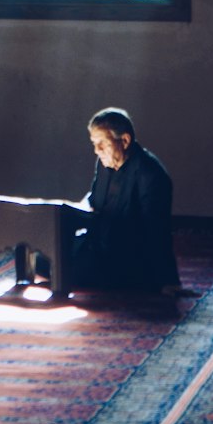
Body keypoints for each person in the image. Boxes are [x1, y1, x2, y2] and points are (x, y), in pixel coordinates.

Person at [69, 106, 178, 294]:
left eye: (102, 143)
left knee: (65, 270)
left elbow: (157, 231)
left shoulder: (150, 174)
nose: (97, 150)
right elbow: (94, 201)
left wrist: (167, 281)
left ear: (125, 140)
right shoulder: (104, 164)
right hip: (99, 246)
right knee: (46, 260)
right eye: (94, 143)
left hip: (128, 257)